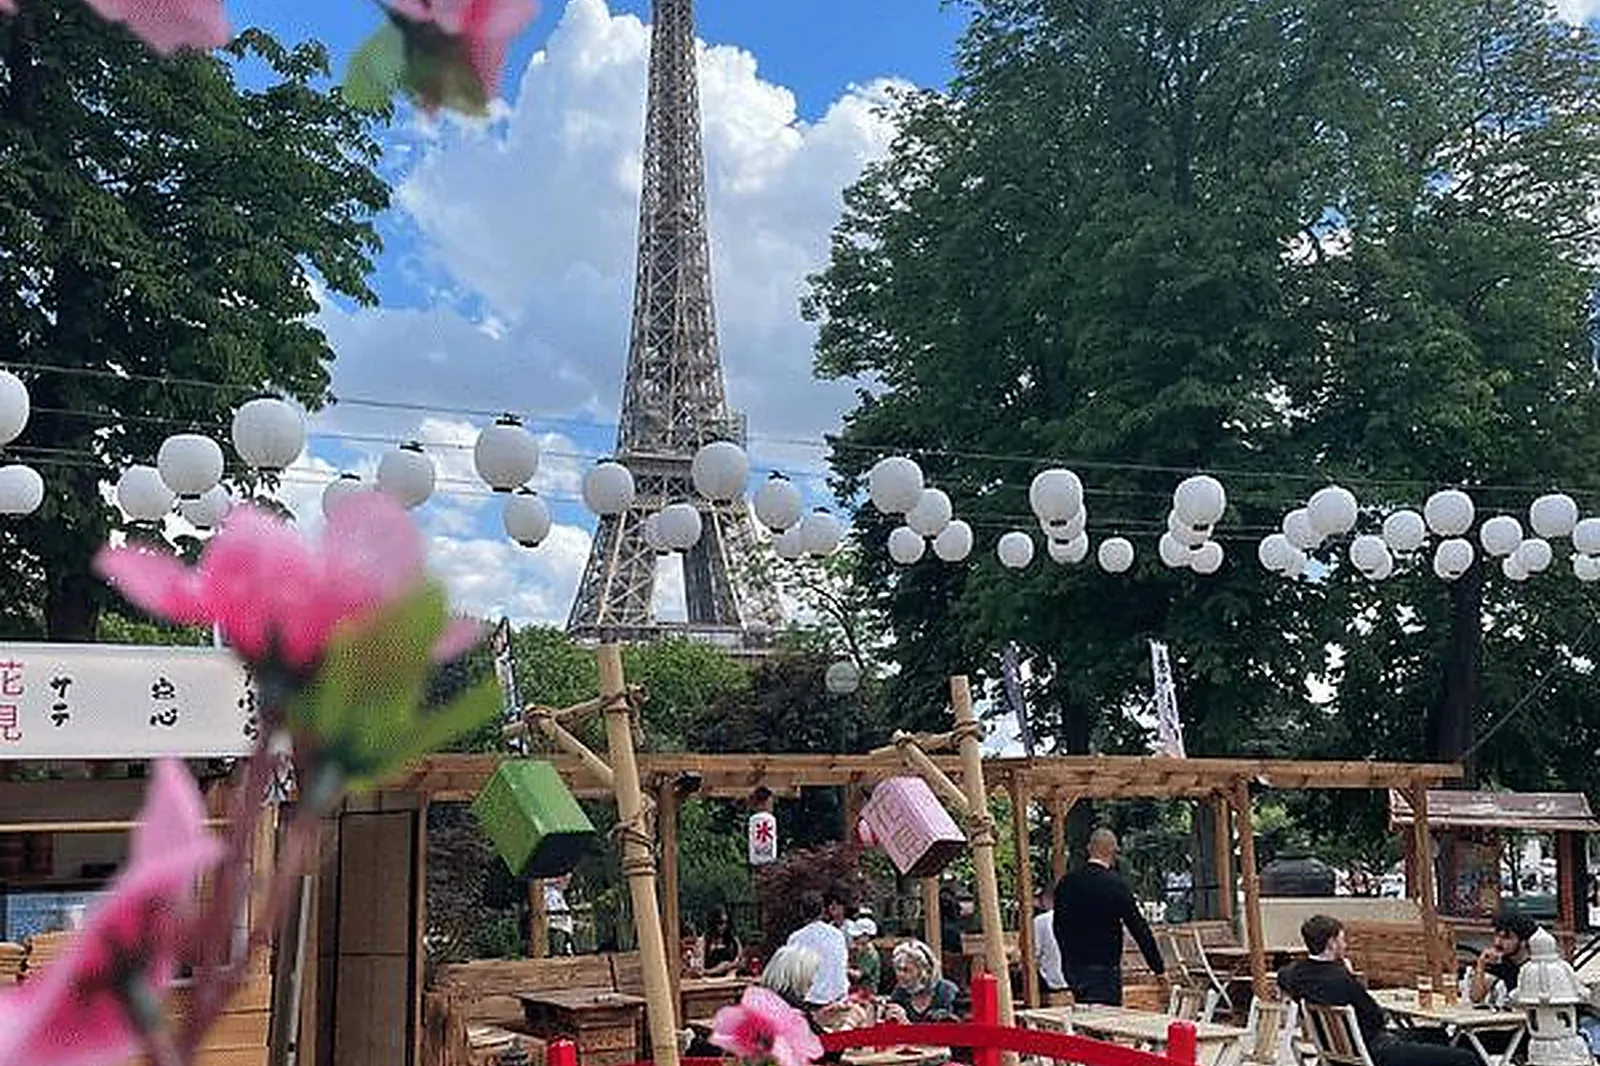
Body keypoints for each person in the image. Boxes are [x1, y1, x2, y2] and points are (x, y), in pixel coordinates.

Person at [1279, 915, 1477, 1066]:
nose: (1345, 944)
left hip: (1338, 1051)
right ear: (1331, 943)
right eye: (1342, 939)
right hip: (1374, 1052)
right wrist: (1348, 973)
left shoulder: (1297, 974)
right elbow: (1376, 1018)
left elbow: (1283, 976)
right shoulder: (1341, 979)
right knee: (1464, 1058)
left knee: (1437, 1034)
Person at [1051, 827, 1164, 1004]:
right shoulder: (1115, 885)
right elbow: (1138, 927)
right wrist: (1158, 967)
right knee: (1105, 1021)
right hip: (1104, 967)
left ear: (1089, 848)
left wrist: (1067, 957)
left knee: (1082, 1017)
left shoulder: (1066, 883)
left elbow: (1057, 925)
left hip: (1073, 966)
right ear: (1114, 850)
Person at [786, 889, 851, 1007]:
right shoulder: (837, 935)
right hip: (839, 999)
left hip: (812, 1001)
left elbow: (791, 975)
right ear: (822, 911)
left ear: (801, 912)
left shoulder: (795, 938)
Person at [1465, 910, 1537, 1007]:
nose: (1498, 942)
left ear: (1523, 942)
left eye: (1506, 938)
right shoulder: (1501, 962)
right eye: (1497, 935)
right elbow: (1476, 997)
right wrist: (1481, 965)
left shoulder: (1533, 966)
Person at [889, 939, 960, 1022]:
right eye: (898, 969)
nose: (900, 975)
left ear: (925, 971)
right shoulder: (899, 993)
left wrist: (907, 1025)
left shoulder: (947, 992)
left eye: (906, 970)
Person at [1031, 886, 1067, 994]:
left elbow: (1033, 953)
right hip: (1077, 980)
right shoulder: (1078, 916)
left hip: (1052, 982)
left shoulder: (1040, 921)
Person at [699, 905, 743, 977]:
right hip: (709, 981)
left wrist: (731, 966)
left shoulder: (733, 941)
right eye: (720, 923)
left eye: (726, 923)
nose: (724, 926)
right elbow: (699, 970)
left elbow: (739, 960)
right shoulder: (704, 941)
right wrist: (716, 970)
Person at [846, 917, 882, 995]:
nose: (854, 940)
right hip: (857, 988)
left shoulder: (871, 954)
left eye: (856, 937)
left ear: (867, 936)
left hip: (867, 991)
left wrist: (844, 969)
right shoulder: (859, 951)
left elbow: (858, 975)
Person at [544, 873, 575, 956]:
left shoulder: (559, 894)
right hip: (549, 908)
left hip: (559, 908)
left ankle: (567, 948)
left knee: (567, 925)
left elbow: (565, 883)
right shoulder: (548, 890)